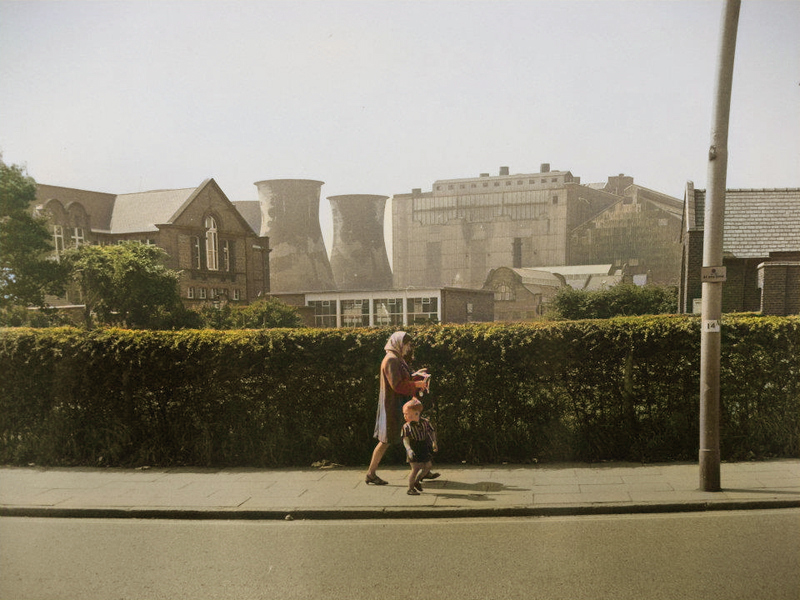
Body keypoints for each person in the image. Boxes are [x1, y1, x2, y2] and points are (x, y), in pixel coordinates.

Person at [365, 331, 429, 485]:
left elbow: (402, 379)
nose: (407, 348)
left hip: (399, 404)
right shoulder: (392, 360)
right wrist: (417, 384)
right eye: (406, 344)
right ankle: (371, 473)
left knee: (410, 434)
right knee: (386, 440)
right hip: (394, 405)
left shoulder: (396, 359)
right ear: (398, 343)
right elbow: (397, 385)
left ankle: (424, 468)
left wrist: (415, 376)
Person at [400, 398, 438, 495]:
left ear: (417, 414)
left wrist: (434, 442)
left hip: (423, 445)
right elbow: (405, 439)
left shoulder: (425, 422)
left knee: (428, 465)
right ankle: (410, 488)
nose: (405, 416)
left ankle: (417, 480)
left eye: (408, 414)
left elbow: (431, 431)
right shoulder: (406, 426)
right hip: (413, 446)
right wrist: (408, 449)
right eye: (404, 414)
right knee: (415, 468)